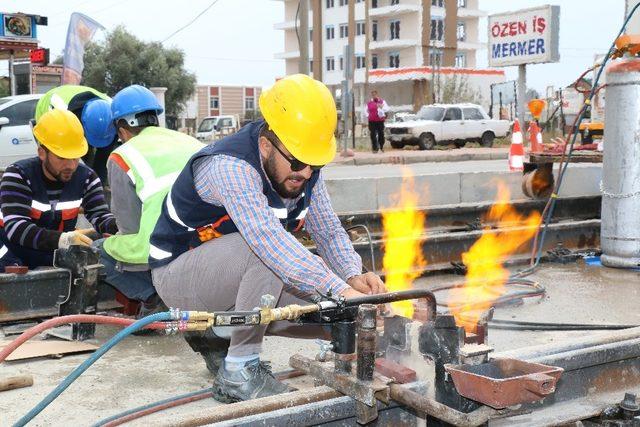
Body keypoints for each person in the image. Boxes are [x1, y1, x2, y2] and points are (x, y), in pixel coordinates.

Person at [148, 74, 386, 403]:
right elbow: (268, 241)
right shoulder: (229, 167)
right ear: (265, 145)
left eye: (315, 164)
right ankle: (239, 371)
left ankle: (222, 334)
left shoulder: (302, 170)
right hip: (179, 278)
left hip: (236, 278)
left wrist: (352, 277)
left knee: (341, 314)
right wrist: (336, 286)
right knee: (268, 257)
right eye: (299, 162)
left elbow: (329, 231)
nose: (306, 173)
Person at [96, 84, 203, 316]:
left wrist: (113, 238)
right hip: (209, 239)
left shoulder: (123, 156)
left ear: (121, 128)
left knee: (96, 252)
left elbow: (130, 229)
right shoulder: (191, 142)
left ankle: (152, 297)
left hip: (164, 247)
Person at [0, 109, 117, 272]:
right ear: (42, 153)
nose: (70, 165)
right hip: (10, 252)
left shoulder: (87, 178)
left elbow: (100, 215)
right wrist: (64, 239)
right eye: (62, 158)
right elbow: (16, 228)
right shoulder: (18, 175)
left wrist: (120, 229)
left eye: (75, 157)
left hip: (52, 253)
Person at [35, 85, 117, 183]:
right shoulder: (63, 115)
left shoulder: (114, 115)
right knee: (58, 158)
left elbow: (103, 160)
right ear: (82, 124)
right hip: (48, 107)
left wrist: (97, 186)